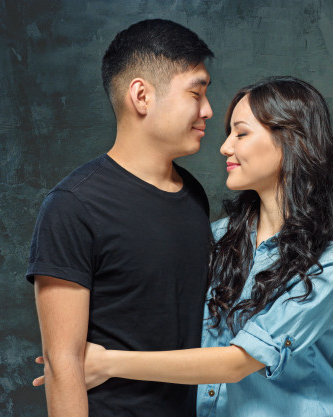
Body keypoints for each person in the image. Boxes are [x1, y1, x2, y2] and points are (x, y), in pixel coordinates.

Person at [34, 76, 333, 416]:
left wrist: (105, 362)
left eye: (241, 133)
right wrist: (70, 357)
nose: (225, 147)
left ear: (292, 142)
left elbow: (236, 363)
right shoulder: (217, 238)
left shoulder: (330, 266)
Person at [26, 19, 214, 416]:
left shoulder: (194, 196)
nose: (208, 111)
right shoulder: (73, 206)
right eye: (196, 94)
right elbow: (64, 365)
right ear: (141, 96)